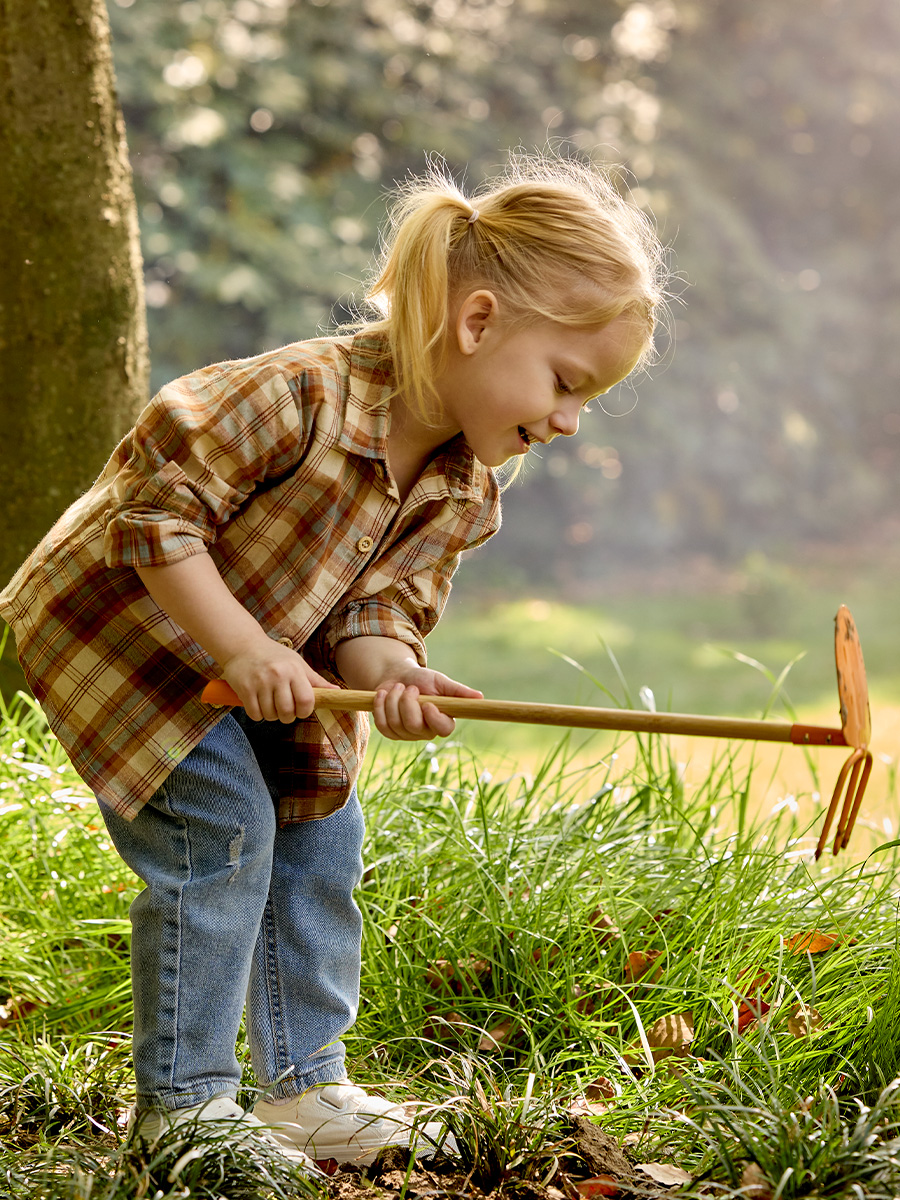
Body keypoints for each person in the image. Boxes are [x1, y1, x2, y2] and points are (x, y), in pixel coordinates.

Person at [0, 151, 667, 1169]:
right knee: (222, 827)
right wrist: (243, 644)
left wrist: (391, 666)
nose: (571, 420)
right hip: (125, 630)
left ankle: (305, 1087)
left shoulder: (462, 488)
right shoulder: (299, 395)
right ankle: (182, 1107)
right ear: (478, 323)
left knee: (322, 826)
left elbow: (375, 604)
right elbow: (156, 517)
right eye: (567, 383)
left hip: (261, 652)